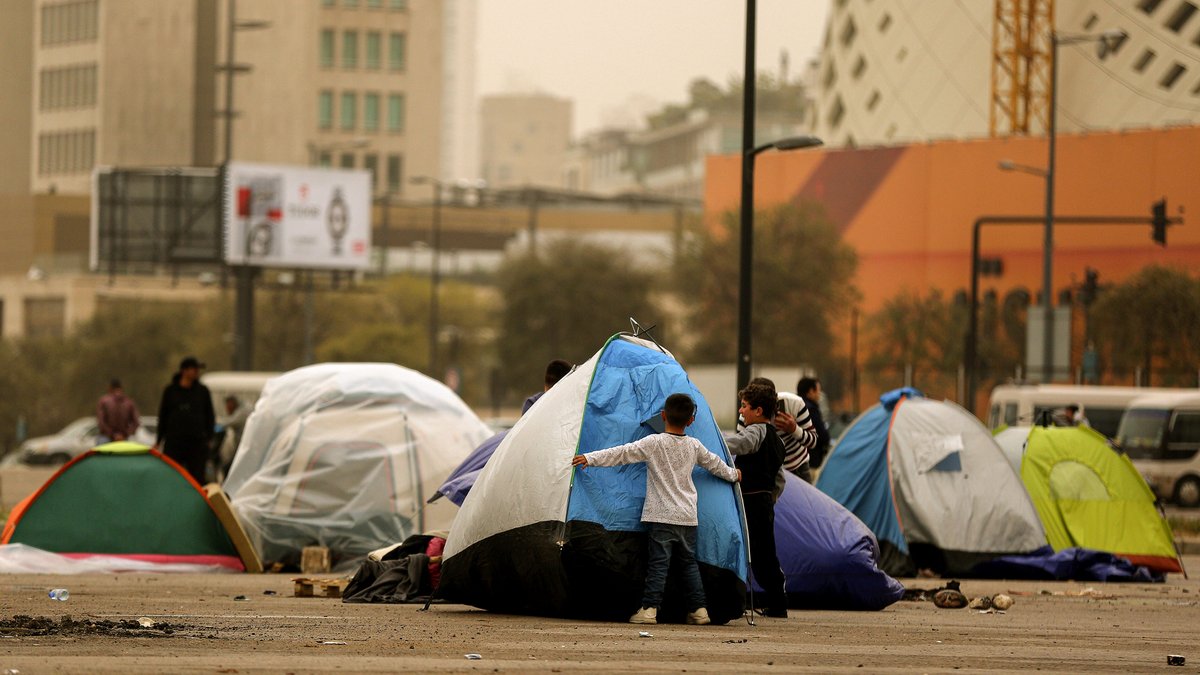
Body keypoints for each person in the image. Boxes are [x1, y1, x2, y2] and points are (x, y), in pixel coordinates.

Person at [571, 393, 740, 626]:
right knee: (689, 564)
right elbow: (715, 464)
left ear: (662, 416)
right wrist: (734, 474)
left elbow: (621, 453)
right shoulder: (694, 446)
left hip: (660, 517)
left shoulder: (653, 443)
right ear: (691, 420)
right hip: (687, 516)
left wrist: (590, 458)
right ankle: (699, 610)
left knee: (659, 565)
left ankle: (649, 610)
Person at [723, 381, 788, 618]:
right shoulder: (778, 441)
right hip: (764, 504)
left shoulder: (755, 431)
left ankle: (738, 599)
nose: (741, 411)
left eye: (744, 406)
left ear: (758, 411)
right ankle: (777, 603)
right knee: (766, 554)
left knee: (745, 550)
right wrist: (770, 500)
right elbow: (780, 480)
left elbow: (741, 443)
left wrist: (714, 443)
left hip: (749, 502)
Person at [155, 356, 216, 484]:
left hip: (196, 443)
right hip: (174, 441)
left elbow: (210, 415)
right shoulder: (170, 391)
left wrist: (209, 438)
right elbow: (163, 416)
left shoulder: (202, 391)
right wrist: (159, 440)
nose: (196, 373)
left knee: (197, 478)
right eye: (194, 369)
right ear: (184, 371)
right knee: (171, 475)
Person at [797, 377, 831, 470]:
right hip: (811, 461)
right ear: (811, 391)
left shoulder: (795, 407)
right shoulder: (811, 409)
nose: (819, 394)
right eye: (818, 391)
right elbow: (822, 435)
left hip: (796, 460)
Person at [215, 395, 251, 478]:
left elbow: (228, 422)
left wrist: (212, 422)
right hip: (243, 447)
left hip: (244, 447)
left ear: (231, 404)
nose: (227, 410)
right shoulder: (244, 408)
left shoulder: (242, 413)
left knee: (228, 469)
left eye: (228, 407)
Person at [96, 378, 140, 444]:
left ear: (110, 388)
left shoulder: (103, 401)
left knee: (99, 451)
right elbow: (136, 422)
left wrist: (113, 435)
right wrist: (125, 434)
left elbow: (101, 422)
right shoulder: (129, 402)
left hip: (107, 437)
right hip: (124, 438)